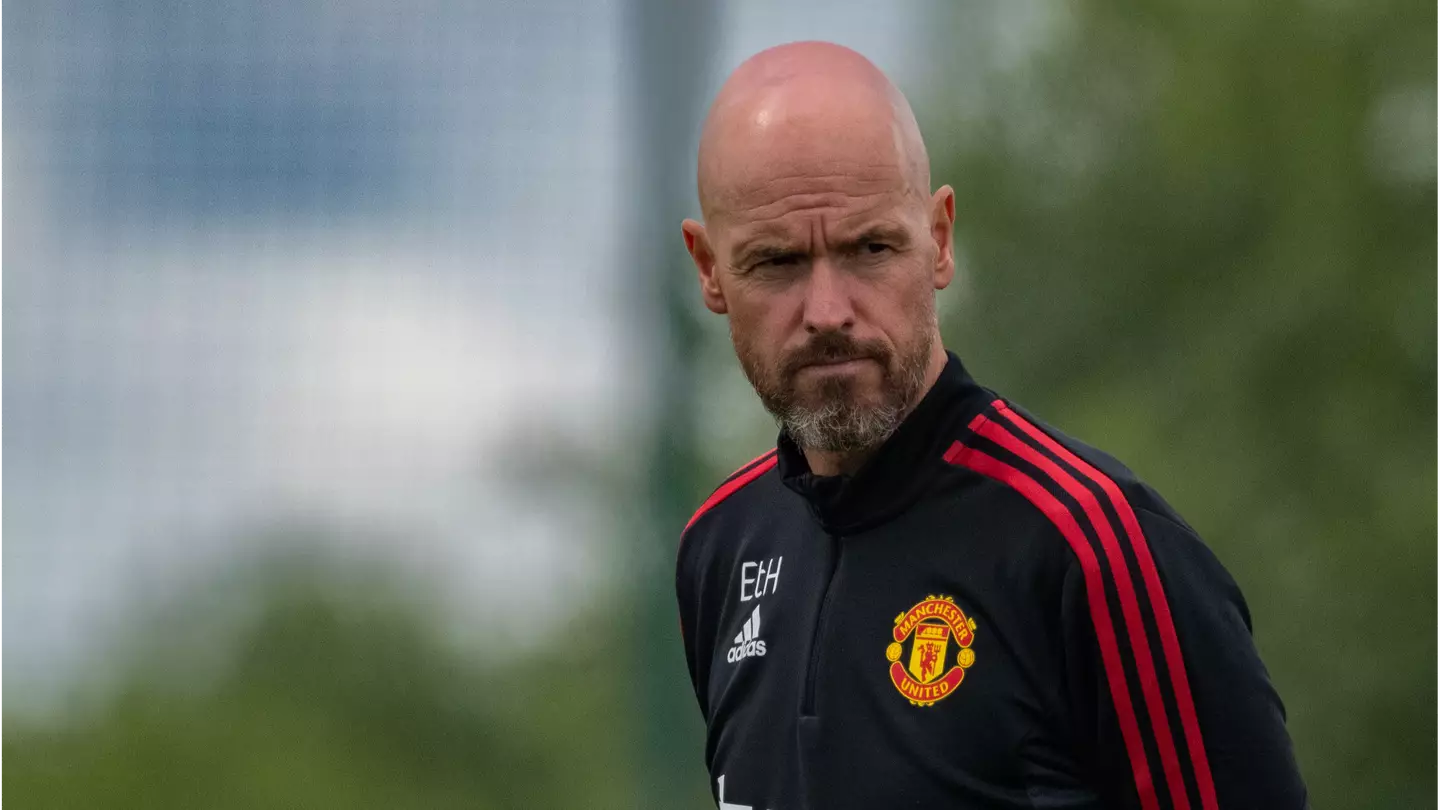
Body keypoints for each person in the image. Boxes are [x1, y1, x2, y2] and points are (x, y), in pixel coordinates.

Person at [674, 41, 1308, 810]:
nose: (828, 312)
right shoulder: (720, 548)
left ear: (938, 239)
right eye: (776, 263)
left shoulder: (1093, 545)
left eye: (871, 248)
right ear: (709, 269)